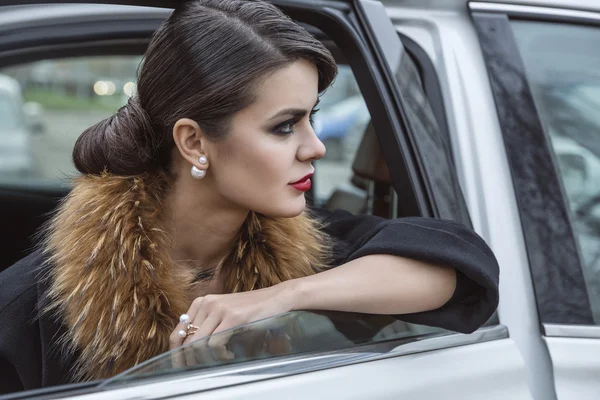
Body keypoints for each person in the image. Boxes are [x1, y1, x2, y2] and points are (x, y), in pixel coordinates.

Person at [0, 0, 499, 394]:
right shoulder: (30, 308)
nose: (317, 147)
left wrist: (278, 298)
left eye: (312, 117)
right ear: (194, 142)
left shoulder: (309, 251)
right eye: (285, 126)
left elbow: (459, 267)